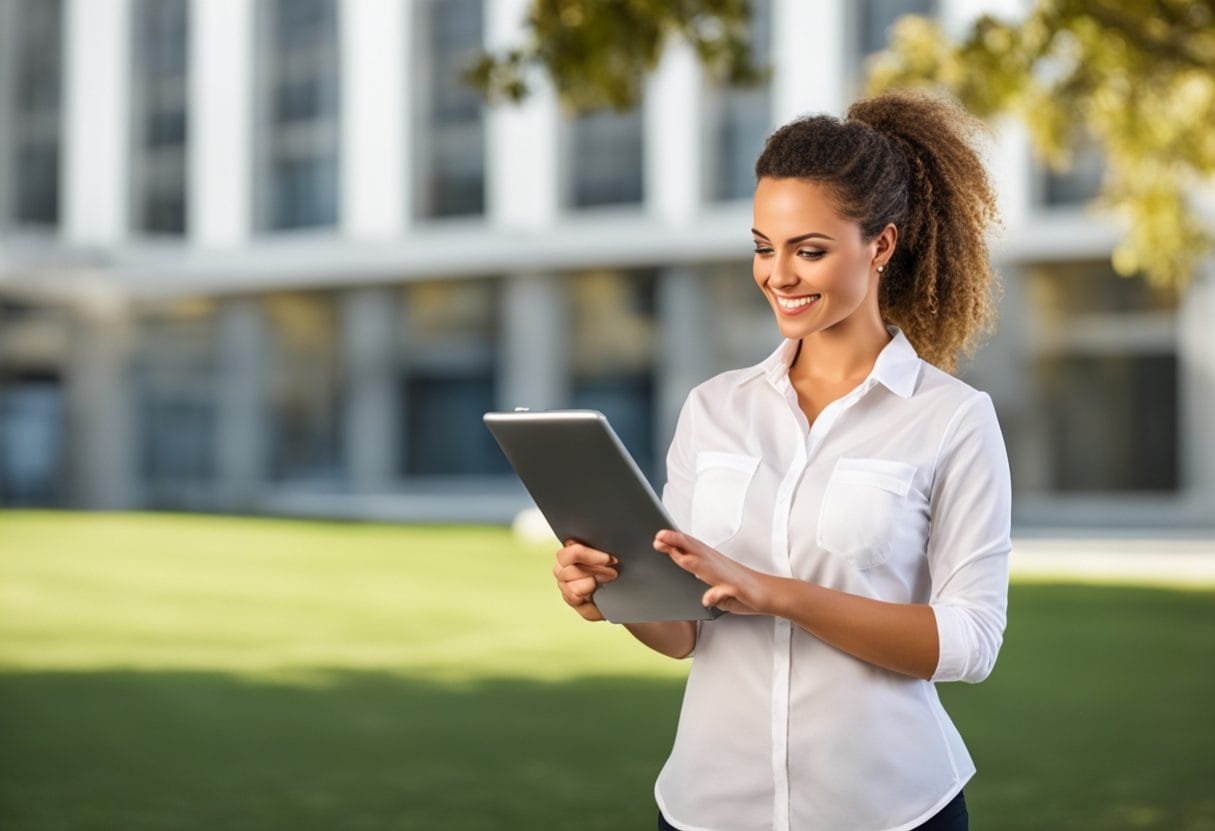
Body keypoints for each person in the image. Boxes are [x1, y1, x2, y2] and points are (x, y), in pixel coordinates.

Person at [553, 91, 1011, 831]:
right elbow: (685, 632)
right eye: (764, 246)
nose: (778, 274)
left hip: (889, 807)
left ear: (881, 245)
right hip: (709, 805)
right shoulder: (714, 408)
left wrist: (778, 593)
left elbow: (970, 641)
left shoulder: (951, 419)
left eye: (810, 249)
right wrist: (613, 593)